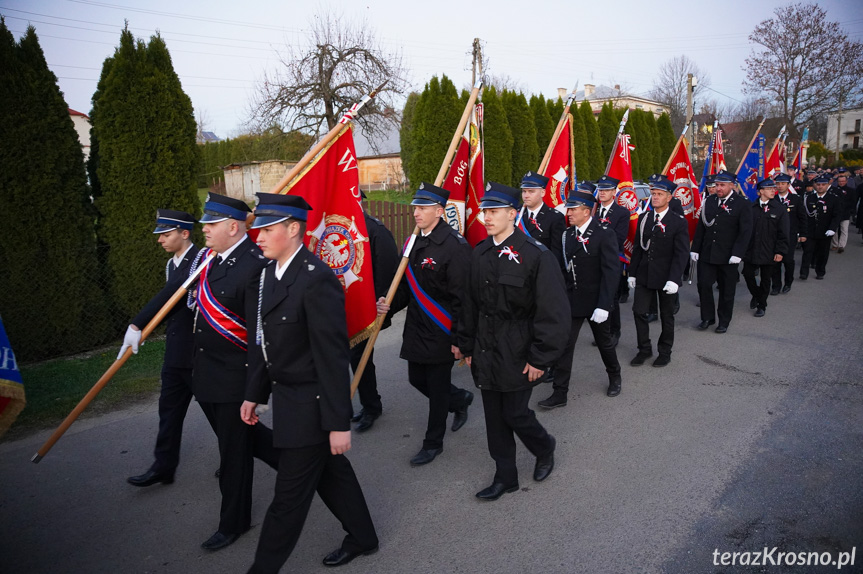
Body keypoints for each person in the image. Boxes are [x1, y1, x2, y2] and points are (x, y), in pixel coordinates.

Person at [242, 193, 379, 573]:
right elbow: (265, 343)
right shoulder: (270, 273)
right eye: (258, 229)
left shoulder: (317, 280)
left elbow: (332, 358)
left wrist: (338, 423)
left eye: (267, 229)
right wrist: (254, 393)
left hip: (311, 406)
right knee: (333, 474)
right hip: (287, 399)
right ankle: (364, 537)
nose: (259, 237)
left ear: (293, 228)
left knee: (287, 498)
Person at [458, 182, 567, 501]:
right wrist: (467, 346)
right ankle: (505, 476)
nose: (486, 218)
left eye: (493, 212)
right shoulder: (480, 253)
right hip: (487, 350)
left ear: (511, 213)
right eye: (484, 212)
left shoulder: (535, 256)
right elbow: (470, 305)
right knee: (494, 419)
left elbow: (553, 312)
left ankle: (544, 447)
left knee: (516, 414)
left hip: (521, 350)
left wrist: (540, 358)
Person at [191, 193, 279, 551]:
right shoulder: (212, 260)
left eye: (211, 225)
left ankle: (234, 522)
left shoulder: (254, 265)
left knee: (233, 455)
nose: (205, 231)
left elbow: (259, 337)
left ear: (232, 226)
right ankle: (307, 463)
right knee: (251, 442)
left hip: (234, 380)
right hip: (208, 377)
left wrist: (255, 392)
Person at [377, 183, 473, 466]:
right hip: (417, 327)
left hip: (443, 330)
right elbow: (406, 288)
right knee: (415, 379)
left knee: (437, 387)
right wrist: (389, 304)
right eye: (415, 207)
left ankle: (433, 443)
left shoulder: (455, 246)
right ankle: (460, 400)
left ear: (439, 211)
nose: (416, 213)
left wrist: (460, 339)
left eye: (422, 208)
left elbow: (463, 299)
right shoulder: (412, 243)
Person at [122, 209, 203, 487]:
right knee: (168, 412)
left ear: (184, 233)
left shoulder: (202, 260)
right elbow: (170, 307)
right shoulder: (173, 264)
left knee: (219, 416)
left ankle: (236, 459)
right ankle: (163, 466)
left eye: (166, 234)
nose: (160, 240)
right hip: (175, 352)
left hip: (198, 353)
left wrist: (137, 325)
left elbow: (172, 294)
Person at [540, 187, 623, 402]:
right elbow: (561, 267)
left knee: (604, 342)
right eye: (568, 209)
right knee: (565, 345)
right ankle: (560, 392)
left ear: (586, 211)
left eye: (573, 209)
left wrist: (604, 305)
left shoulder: (604, 234)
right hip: (572, 300)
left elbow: (611, 272)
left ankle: (615, 376)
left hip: (596, 301)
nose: (568, 213)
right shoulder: (567, 235)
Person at [350, 192, 400, 433]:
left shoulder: (375, 230)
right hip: (343, 309)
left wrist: (377, 306)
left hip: (368, 309)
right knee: (349, 358)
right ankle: (362, 404)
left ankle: (371, 407)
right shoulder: (336, 230)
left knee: (359, 357)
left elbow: (388, 272)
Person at [628, 176, 689, 367]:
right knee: (639, 311)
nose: (655, 197)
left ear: (669, 197)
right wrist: (632, 273)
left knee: (666, 315)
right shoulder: (644, 218)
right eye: (653, 194)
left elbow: (681, 253)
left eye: (659, 194)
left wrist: (674, 279)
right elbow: (638, 248)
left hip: (666, 275)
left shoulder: (678, 221)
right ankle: (644, 349)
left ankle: (665, 351)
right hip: (645, 274)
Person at [690, 170, 753, 334]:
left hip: (728, 255)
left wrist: (738, 253)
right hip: (708, 253)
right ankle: (707, 317)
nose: (718, 188)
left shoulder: (742, 204)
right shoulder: (709, 201)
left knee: (726, 290)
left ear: (732, 185)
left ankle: (724, 321)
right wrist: (695, 249)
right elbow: (702, 226)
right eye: (717, 185)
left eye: (722, 185)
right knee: (703, 285)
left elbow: (745, 231)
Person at [742, 179, 789, 318]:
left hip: (769, 250)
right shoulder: (752, 208)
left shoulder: (779, 209)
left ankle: (762, 305)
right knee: (747, 274)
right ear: (760, 191)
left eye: (773, 188)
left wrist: (780, 251)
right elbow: (745, 230)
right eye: (769, 189)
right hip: (752, 249)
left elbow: (784, 232)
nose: (773, 190)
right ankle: (756, 295)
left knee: (765, 279)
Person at [593, 175, 629, 346]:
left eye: (606, 190)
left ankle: (614, 331)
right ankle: (601, 332)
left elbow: (619, 238)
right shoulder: (593, 210)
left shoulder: (621, 213)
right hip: (593, 259)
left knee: (611, 298)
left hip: (611, 260)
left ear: (614, 192)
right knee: (596, 296)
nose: (602, 193)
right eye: (600, 189)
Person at [517, 171, 565, 265]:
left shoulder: (554, 217)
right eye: (524, 191)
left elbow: (556, 253)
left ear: (543, 192)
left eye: (531, 191)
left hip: (541, 268)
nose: (526, 196)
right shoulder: (516, 214)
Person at [771, 174, 808, 294]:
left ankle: (788, 282)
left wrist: (803, 233)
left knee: (787, 260)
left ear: (788, 184)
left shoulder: (796, 199)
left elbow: (802, 217)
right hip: (774, 236)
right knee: (775, 262)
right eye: (778, 184)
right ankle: (776, 285)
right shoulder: (773, 199)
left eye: (783, 183)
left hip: (790, 235)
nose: (780, 186)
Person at [800, 174, 840, 280]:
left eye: (823, 184)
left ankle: (820, 271)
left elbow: (836, 216)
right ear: (814, 185)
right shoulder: (809, 198)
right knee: (807, 252)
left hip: (825, 231)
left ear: (827, 185)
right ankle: (804, 273)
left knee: (823, 253)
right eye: (818, 184)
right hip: (810, 231)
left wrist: (832, 228)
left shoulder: (833, 199)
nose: (820, 186)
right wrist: (802, 231)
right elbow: (803, 216)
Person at [830, 169, 857, 253]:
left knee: (844, 229)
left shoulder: (851, 190)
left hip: (845, 213)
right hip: (835, 213)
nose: (841, 183)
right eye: (840, 181)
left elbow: (853, 201)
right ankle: (835, 244)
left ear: (846, 181)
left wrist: (851, 210)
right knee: (834, 230)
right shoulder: (833, 190)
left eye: (843, 181)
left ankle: (841, 246)